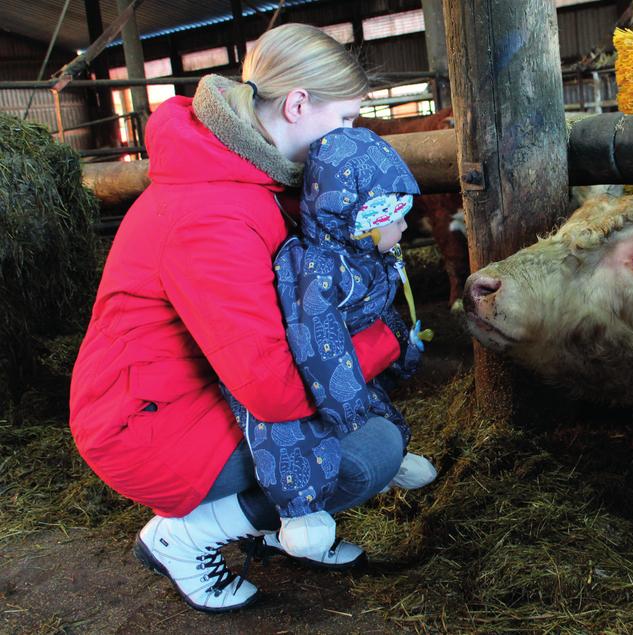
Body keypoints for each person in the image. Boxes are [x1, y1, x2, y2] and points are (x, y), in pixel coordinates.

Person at [69, 24, 414, 613]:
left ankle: (279, 523)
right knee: (371, 450)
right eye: (347, 121)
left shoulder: (254, 176)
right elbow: (278, 391)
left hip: (195, 388)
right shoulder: (212, 217)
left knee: (347, 418)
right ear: (298, 105)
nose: (352, 139)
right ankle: (181, 538)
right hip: (144, 425)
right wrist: (385, 339)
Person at [222, 125, 437, 564]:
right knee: (294, 434)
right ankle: (299, 515)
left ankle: (390, 457)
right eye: (394, 218)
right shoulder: (317, 272)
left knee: (365, 399)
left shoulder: (363, 255)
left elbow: (376, 314)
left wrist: (404, 347)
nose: (404, 226)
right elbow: (321, 346)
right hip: (296, 377)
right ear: (362, 223)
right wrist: (350, 408)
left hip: (341, 369)